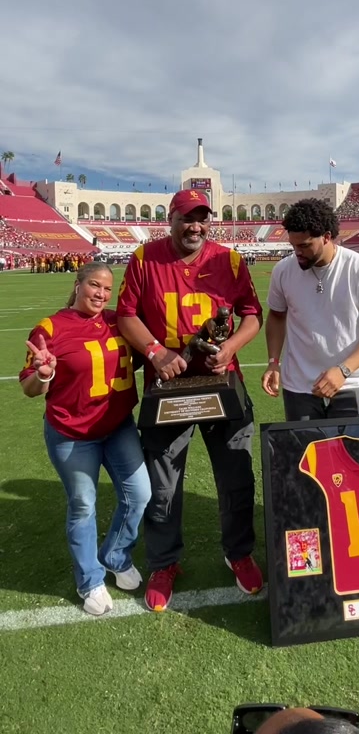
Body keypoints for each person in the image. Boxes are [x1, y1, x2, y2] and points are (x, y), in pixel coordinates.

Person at [116, 189, 263, 611]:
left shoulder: (229, 260)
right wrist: (155, 352)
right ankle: (165, 562)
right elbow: (126, 314)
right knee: (162, 483)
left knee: (236, 474)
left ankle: (238, 553)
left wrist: (232, 346)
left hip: (222, 383)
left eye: (202, 218)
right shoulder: (145, 259)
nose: (195, 226)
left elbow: (251, 314)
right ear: (171, 219)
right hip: (168, 388)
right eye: (187, 217)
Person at [19, 263, 151, 616]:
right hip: (72, 434)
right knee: (83, 504)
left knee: (139, 493)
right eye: (94, 285)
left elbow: (137, 359)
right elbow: (30, 387)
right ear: (78, 285)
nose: (101, 294)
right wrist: (44, 375)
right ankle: (90, 579)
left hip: (118, 425)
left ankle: (115, 554)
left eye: (107, 289)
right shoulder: (50, 328)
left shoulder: (118, 320)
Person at [261, 198, 359, 419]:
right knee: (305, 453)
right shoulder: (283, 270)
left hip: (348, 384)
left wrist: (343, 371)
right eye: (293, 246)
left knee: (354, 452)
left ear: (327, 237)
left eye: (304, 245)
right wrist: (273, 362)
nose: (297, 253)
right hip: (299, 387)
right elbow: (276, 316)